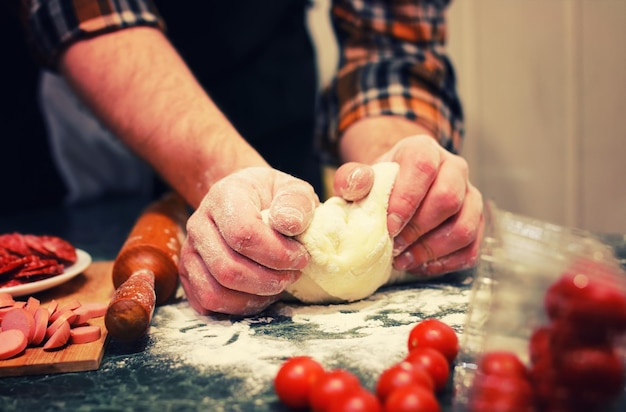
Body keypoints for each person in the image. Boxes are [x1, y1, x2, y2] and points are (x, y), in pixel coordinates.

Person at [22, 0, 483, 316]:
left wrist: (399, 176)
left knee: (271, 241)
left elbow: (388, 44)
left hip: (262, 86)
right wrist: (223, 168)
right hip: (91, 108)